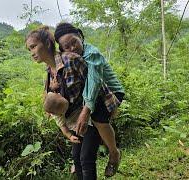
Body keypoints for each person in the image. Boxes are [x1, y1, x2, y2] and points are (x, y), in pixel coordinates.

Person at [26, 26, 101, 180]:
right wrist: (66, 132)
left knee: (86, 159)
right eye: (29, 49)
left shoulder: (71, 59)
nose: (32, 53)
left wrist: (103, 109)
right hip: (74, 122)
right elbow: (54, 109)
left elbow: (96, 82)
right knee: (77, 159)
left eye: (33, 46)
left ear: (47, 43)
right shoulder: (48, 74)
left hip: (91, 116)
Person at [54, 22, 125, 177]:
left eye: (74, 41)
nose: (72, 48)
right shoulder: (69, 60)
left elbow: (94, 82)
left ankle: (114, 153)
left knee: (98, 119)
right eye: (67, 46)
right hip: (95, 94)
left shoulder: (91, 53)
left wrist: (86, 110)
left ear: (80, 36)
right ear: (63, 50)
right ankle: (80, 160)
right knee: (82, 123)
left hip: (111, 91)